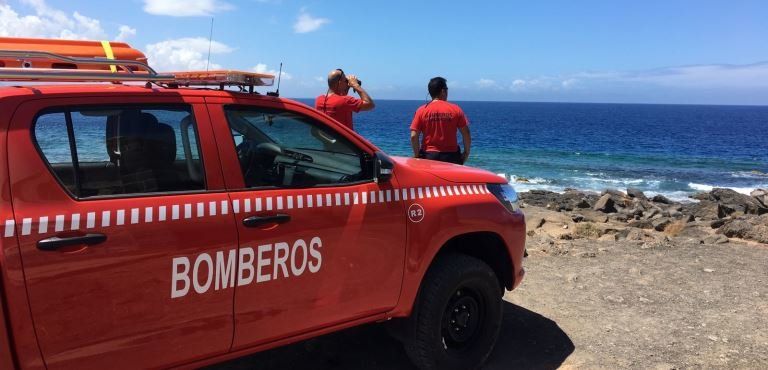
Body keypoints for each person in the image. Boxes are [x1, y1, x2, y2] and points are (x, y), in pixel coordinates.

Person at [410, 77, 471, 165]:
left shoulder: (421, 110)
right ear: (443, 91)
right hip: (451, 157)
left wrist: (416, 155)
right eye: (447, 89)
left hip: (429, 156)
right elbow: (466, 133)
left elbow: (413, 136)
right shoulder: (455, 109)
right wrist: (466, 153)